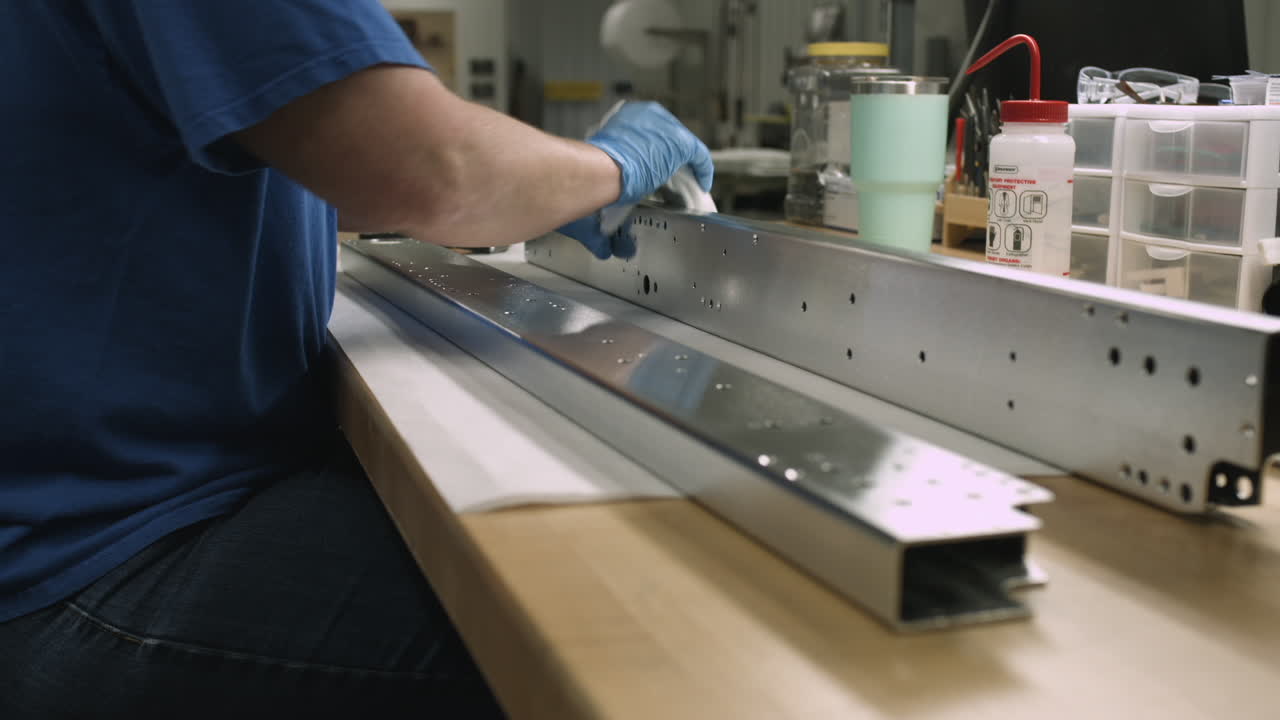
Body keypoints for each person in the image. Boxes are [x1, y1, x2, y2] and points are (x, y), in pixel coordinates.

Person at [0, 1, 713, 717]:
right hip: (105, 553)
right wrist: (609, 165)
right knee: (653, 642)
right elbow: (431, 169)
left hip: (87, 502)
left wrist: (540, 189)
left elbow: (310, 157)